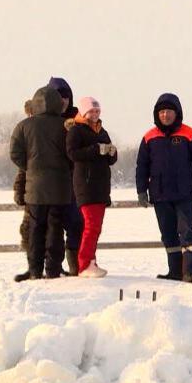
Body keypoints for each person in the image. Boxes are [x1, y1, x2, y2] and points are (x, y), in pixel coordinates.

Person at [135, 93, 192, 282]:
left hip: (185, 195)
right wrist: (141, 190)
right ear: (156, 114)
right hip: (160, 195)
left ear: (176, 113)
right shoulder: (149, 137)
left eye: (169, 111)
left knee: (187, 234)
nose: (165, 115)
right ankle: (175, 271)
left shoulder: (190, 134)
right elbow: (141, 166)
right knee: (168, 235)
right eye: (161, 112)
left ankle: (190, 272)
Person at [10, 86, 73, 279]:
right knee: (55, 229)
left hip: (34, 189)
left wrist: (31, 168)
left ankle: (35, 270)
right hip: (60, 188)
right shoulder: (65, 127)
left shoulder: (24, 126)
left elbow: (15, 154)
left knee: (35, 230)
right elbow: (72, 154)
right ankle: (53, 270)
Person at [67, 97, 117, 278]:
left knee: (96, 227)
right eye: (91, 112)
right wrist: (96, 149)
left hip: (101, 186)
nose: (95, 114)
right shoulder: (76, 131)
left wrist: (112, 152)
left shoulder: (102, 131)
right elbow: (72, 154)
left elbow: (110, 159)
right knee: (91, 226)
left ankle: (91, 261)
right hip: (86, 186)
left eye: (97, 111)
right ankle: (84, 263)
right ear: (84, 113)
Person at [48, 76, 84, 276]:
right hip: (49, 184)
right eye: (57, 97)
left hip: (73, 182)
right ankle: (52, 268)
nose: (62, 101)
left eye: (66, 97)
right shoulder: (41, 121)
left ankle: (76, 267)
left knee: (76, 224)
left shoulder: (79, 120)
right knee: (52, 228)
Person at [13, 99, 35, 282]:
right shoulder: (28, 135)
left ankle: (42, 267)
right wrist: (19, 190)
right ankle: (33, 267)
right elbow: (23, 169)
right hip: (31, 190)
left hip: (41, 190)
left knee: (46, 230)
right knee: (27, 230)